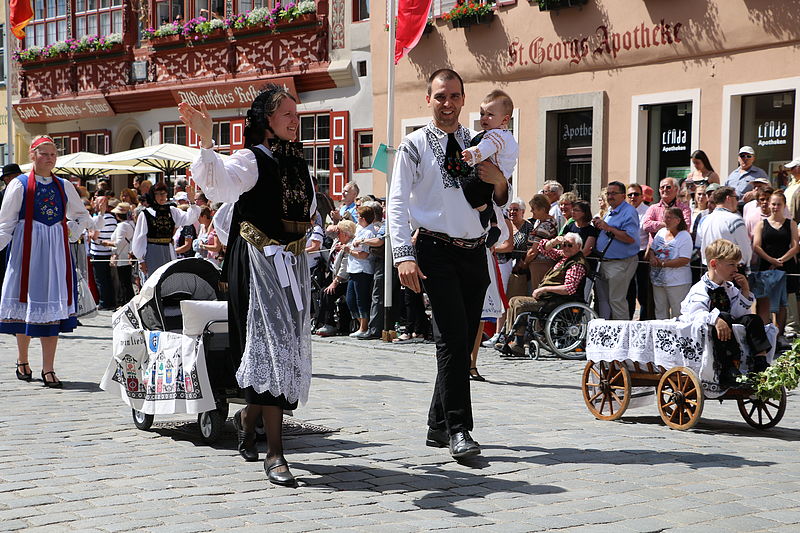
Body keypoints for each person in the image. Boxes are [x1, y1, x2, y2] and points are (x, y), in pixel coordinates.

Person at [181, 83, 315, 485]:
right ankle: (275, 454)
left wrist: (313, 237)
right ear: (267, 121)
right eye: (287, 114)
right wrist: (206, 141)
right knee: (270, 349)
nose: (295, 120)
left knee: (285, 348)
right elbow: (219, 186)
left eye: (296, 113)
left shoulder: (296, 160)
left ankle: (247, 416)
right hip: (257, 261)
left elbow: (307, 211)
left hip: (290, 263)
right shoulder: (252, 159)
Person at [388, 68, 509, 460]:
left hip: (474, 251)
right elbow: (397, 202)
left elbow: (499, 197)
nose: (448, 103)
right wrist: (403, 254)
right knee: (453, 340)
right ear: (429, 99)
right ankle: (460, 429)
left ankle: (437, 425)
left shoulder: (479, 142)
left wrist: (501, 182)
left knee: (463, 339)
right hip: (435, 250)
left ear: (463, 99)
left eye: (454, 96)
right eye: (440, 96)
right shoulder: (414, 144)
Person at [0, 136, 91, 387]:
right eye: (44, 154)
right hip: (26, 250)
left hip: (55, 254)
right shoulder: (18, 185)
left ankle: (48, 368)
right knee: (26, 305)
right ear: (32, 155)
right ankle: (22, 359)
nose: (49, 158)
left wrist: (70, 232)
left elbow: (81, 216)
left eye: (52, 154)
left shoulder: (64, 185)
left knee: (53, 309)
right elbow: (5, 223)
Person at [679, 239, 770, 388]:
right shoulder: (700, 289)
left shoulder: (730, 287)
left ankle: (760, 363)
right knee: (724, 316)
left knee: (753, 319)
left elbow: (739, 313)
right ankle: (729, 369)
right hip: (707, 333)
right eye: (731, 264)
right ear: (714, 264)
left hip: (727, 328)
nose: (736, 269)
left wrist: (745, 291)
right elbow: (695, 314)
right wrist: (716, 319)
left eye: (737, 264)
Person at [502, 234, 588, 355]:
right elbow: (543, 247)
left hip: (559, 300)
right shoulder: (564, 256)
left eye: (570, 245)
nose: (566, 248)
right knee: (513, 300)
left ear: (578, 246)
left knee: (520, 303)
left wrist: (544, 289)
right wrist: (554, 241)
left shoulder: (576, 264)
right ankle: (510, 336)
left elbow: (569, 289)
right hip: (551, 298)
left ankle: (518, 341)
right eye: (564, 245)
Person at [460, 89, 518, 246]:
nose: (484, 118)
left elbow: (485, 148)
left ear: (505, 119)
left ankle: (487, 216)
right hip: (491, 179)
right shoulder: (497, 134)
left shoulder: (495, 135)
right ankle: (493, 225)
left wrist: (472, 155)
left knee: (469, 187)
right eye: (482, 114)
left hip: (488, 177)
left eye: (490, 115)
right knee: (486, 199)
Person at [752, 191, 798, 345]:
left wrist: (781, 260)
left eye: (778, 204)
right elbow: (756, 246)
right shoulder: (761, 224)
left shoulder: (790, 223)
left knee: (782, 303)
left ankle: (779, 336)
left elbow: (795, 246)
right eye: (773, 204)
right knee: (764, 302)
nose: (775, 207)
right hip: (765, 267)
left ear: (784, 206)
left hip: (786, 267)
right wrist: (771, 260)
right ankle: (763, 336)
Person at [131, 181, 200, 280]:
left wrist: (192, 201)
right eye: (158, 194)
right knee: (154, 282)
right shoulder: (146, 213)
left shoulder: (172, 211)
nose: (162, 196)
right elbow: (140, 237)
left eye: (164, 193)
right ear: (153, 195)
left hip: (168, 249)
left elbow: (189, 219)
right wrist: (141, 260)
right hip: (152, 251)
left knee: (168, 280)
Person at [593, 181, 640, 320]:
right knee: (605, 301)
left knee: (616, 301)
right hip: (606, 262)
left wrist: (608, 228)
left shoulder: (629, 212)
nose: (610, 196)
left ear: (623, 196)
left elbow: (630, 238)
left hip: (620, 263)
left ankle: (623, 337)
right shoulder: (611, 211)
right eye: (608, 193)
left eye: (614, 193)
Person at [647, 207, 693, 319]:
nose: (665, 220)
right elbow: (652, 249)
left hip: (678, 282)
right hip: (658, 281)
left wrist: (663, 264)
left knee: (678, 312)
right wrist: (652, 257)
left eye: (669, 217)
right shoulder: (661, 232)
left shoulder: (685, 236)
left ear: (678, 220)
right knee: (660, 311)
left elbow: (684, 259)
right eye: (665, 217)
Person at [314, 220, 356, 337]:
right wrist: (335, 227)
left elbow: (344, 267)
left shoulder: (349, 245)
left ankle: (329, 324)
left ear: (346, 235)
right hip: (333, 275)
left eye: (340, 233)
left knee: (328, 293)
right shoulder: (338, 240)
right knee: (322, 291)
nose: (337, 235)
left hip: (344, 279)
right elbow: (328, 233)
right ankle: (322, 322)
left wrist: (335, 282)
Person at [697, 186, 752, 267]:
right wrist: (746, 267)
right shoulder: (735, 220)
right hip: (732, 269)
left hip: (710, 268)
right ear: (728, 198)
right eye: (736, 198)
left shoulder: (704, 220)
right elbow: (745, 250)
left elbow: (700, 247)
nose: (737, 202)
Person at [345, 205, 376, 338]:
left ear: (363, 218)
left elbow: (364, 255)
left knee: (361, 299)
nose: (357, 218)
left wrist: (349, 251)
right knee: (350, 299)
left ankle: (364, 327)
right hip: (353, 269)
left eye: (358, 216)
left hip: (362, 269)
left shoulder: (369, 233)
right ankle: (361, 324)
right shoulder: (360, 230)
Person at [627, 182, 653, 320]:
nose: (633, 197)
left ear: (642, 196)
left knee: (642, 291)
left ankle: (644, 319)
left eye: (636, 194)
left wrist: (648, 251)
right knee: (628, 290)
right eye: (630, 194)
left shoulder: (647, 210)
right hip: (626, 254)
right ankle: (629, 319)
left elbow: (650, 233)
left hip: (642, 253)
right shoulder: (625, 210)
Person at [89, 194, 118, 310]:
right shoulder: (112, 218)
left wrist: (90, 233)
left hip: (98, 253)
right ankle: (110, 301)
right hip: (108, 252)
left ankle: (104, 302)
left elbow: (93, 236)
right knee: (108, 278)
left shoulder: (96, 219)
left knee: (101, 279)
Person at [502, 198, 535, 300]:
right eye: (510, 209)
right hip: (504, 266)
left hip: (521, 270)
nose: (512, 212)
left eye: (515, 209)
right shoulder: (505, 226)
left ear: (523, 212)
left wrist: (523, 264)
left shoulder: (529, 228)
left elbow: (531, 249)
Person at [0, 164, 24, 297]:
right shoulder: (1, 196)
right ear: (7, 179)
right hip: (4, 241)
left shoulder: (25, 193)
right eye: (16, 177)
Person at [105, 202, 136, 305]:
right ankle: (128, 303)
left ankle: (125, 304)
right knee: (126, 282)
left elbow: (118, 243)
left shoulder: (122, 226)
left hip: (122, 257)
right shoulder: (131, 223)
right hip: (126, 255)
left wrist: (106, 243)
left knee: (124, 282)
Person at [526, 193, 558, 291]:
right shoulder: (547, 221)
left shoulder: (544, 226)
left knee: (538, 292)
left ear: (543, 209)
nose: (531, 211)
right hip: (542, 263)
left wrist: (524, 262)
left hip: (540, 263)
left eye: (534, 208)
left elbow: (534, 251)